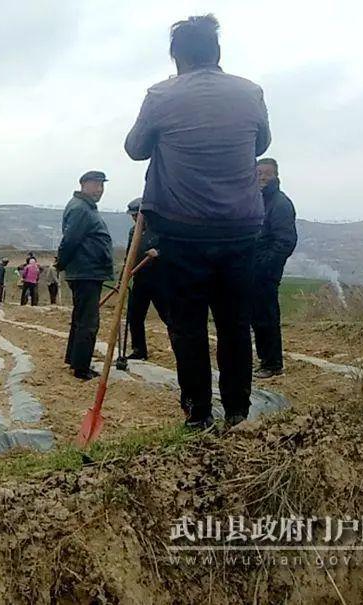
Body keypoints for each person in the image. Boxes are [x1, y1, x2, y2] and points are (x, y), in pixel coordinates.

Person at [124, 14, 271, 428]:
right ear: (217, 53)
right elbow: (261, 142)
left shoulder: (160, 95)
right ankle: (238, 412)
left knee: (187, 326)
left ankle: (198, 414)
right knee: (235, 324)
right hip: (241, 228)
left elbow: (135, 148)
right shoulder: (251, 93)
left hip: (181, 229)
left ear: (177, 58)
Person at [57, 171, 114, 380]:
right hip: (86, 271)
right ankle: (81, 368)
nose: (99, 189)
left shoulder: (84, 207)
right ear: (83, 185)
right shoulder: (81, 208)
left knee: (80, 318)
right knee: (88, 322)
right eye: (95, 184)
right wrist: (61, 262)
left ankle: (74, 360)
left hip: (87, 270)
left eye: (102, 185)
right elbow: (71, 240)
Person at [252, 158, 298, 379]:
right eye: (259, 172)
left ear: (275, 176)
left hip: (266, 271)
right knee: (256, 316)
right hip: (251, 269)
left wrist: (264, 266)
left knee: (267, 316)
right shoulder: (256, 200)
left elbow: (285, 241)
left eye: (266, 173)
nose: (262, 177)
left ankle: (272, 363)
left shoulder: (280, 203)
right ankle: (264, 360)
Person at [124, 198, 167, 360]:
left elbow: (172, 248)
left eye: (136, 215)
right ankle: (139, 350)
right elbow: (129, 255)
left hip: (159, 280)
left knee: (167, 315)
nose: (134, 219)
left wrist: (159, 252)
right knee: (134, 315)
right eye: (133, 216)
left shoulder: (160, 230)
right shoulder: (133, 232)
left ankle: (181, 348)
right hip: (140, 279)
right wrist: (124, 276)